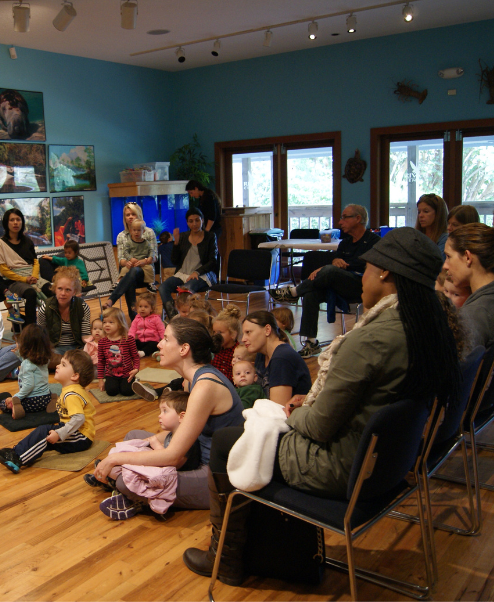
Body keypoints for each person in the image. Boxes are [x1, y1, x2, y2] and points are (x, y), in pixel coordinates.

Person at [185, 227, 460, 586]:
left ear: (386, 272)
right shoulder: (425, 325)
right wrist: (307, 403)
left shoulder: (372, 338)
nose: (361, 277)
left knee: (227, 441)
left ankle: (226, 557)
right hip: (389, 464)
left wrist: (296, 410)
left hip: (343, 467)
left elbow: (317, 428)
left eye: (368, 267)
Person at [94, 317, 245, 512]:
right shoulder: (191, 380)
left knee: (126, 480)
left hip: (216, 476)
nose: (159, 344)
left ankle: (127, 491)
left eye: (166, 339)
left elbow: (174, 456)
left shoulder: (205, 386)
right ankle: (124, 485)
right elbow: (184, 435)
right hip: (193, 455)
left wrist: (115, 460)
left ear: (184, 349)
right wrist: (150, 442)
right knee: (133, 436)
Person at [270, 204, 381, 357]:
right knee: (311, 292)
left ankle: (294, 292)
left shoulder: (374, 241)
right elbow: (335, 261)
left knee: (329, 270)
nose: (340, 222)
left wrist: (335, 266)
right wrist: (332, 264)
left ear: (358, 219)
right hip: (340, 283)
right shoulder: (345, 243)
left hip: (360, 285)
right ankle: (311, 342)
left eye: (344, 217)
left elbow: (369, 265)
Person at [93, 390, 203, 520]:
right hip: (164, 466)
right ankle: (110, 476)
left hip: (174, 476)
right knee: (133, 438)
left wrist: (156, 447)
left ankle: (126, 495)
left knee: (130, 477)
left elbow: (171, 464)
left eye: (165, 411)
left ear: (182, 416)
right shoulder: (173, 434)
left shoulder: (187, 440)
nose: (159, 416)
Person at [0, 349, 96, 473]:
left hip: (81, 436)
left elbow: (79, 419)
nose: (57, 366)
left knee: (45, 434)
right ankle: (16, 452)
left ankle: (17, 458)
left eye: (63, 365)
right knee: (44, 430)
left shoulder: (72, 394)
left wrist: (60, 433)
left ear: (74, 376)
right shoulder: (71, 390)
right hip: (73, 430)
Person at [444, 223, 494, 348]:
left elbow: (460, 365)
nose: (445, 265)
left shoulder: (475, 313)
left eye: (448, 257)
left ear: (468, 257)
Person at [0, 208, 53, 328]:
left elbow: (35, 262)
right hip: (14, 281)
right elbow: (3, 269)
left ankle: (53, 324)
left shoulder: (28, 241)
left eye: (18, 219)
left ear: (22, 222)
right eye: (12, 220)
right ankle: (31, 330)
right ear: (6, 223)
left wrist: (34, 277)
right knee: (31, 293)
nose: (15, 222)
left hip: (34, 277)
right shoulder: (0, 243)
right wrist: (24, 279)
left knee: (52, 290)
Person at [159, 208, 219, 319]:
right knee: (163, 287)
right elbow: (174, 261)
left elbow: (213, 261)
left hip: (202, 275)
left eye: (197, 220)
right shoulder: (182, 237)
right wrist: (176, 243)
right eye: (191, 221)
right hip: (182, 273)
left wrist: (197, 272)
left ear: (202, 220)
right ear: (187, 222)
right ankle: (173, 316)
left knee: (186, 288)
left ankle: (189, 316)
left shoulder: (210, 237)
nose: (194, 224)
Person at [241, 311, 311, 406]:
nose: (243, 339)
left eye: (248, 332)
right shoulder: (262, 354)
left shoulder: (282, 358)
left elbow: (277, 410)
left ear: (267, 330)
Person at [105, 203, 158, 321]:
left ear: (138, 214)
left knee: (132, 274)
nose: (130, 217)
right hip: (130, 271)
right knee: (130, 276)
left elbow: (154, 257)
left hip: (146, 272)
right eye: (127, 215)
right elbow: (121, 260)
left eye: (133, 214)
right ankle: (134, 317)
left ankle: (112, 300)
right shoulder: (121, 236)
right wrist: (127, 262)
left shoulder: (148, 232)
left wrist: (144, 261)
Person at [37, 266, 92, 370]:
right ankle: (72, 365)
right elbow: (41, 336)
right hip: (55, 350)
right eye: (60, 289)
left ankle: (67, 365)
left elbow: (85, 335)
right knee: (43, 359)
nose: (63, 293)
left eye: (68, 290)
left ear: (74, 291)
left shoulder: (82, 307)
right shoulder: (45, 308)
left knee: (92, 355)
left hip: (76, 348)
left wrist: (95, 344)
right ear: (55, 288)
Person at [1, 324, 54, 420]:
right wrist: (19, 355)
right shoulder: (45, 360)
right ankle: (53, 400)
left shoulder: (27, 364)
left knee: (3, 403)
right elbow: (30, 363)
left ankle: (17, 408)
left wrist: (15, 398)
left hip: (32, 401)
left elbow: (29, 386)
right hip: (46, 398)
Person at [98, 307, 139, 397]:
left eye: (111, 322)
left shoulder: (128, 339)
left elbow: (135, 356)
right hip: (111, 374)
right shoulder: (102, 342)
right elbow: (101, 361)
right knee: (111, 391)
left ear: (120, 324)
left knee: (127, 392)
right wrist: (101, 380)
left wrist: (136, 369)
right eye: (104, 322)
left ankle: (135, 381)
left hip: (127, 374)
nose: (106, 325)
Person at [129, 291, 164, 358]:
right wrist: (130, 340)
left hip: (152, 341)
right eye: (140, 306)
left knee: (154, 345)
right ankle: (132, 352)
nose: (142, 309)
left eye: (146, 307)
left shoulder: (156, 318)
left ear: (151, 308)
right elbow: (132, 330)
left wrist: (164, 341)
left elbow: (161, 330)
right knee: (133, 342)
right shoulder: (137, 318)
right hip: (140, 341)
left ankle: (143, 353)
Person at [210, 306, 241, 381]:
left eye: (220, 332)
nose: (216, 335)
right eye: (214, 332)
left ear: (233, 334)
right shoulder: (215, 349)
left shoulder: (238, 352)